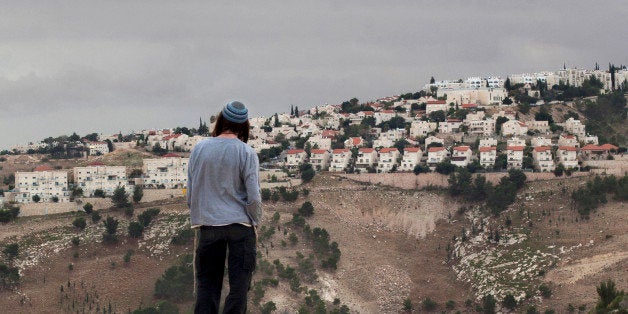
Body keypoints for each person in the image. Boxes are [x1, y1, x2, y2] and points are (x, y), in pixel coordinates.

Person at [187, 101, 262, 313]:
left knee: (207, 287)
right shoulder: (247, 153)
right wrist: (255, 221)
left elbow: (191, 194)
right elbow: (254, 196)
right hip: (240, 227)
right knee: (239, 288)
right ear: (244, 125)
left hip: (209, 226)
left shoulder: (199, 149)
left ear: (221, 120)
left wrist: (201, 216)